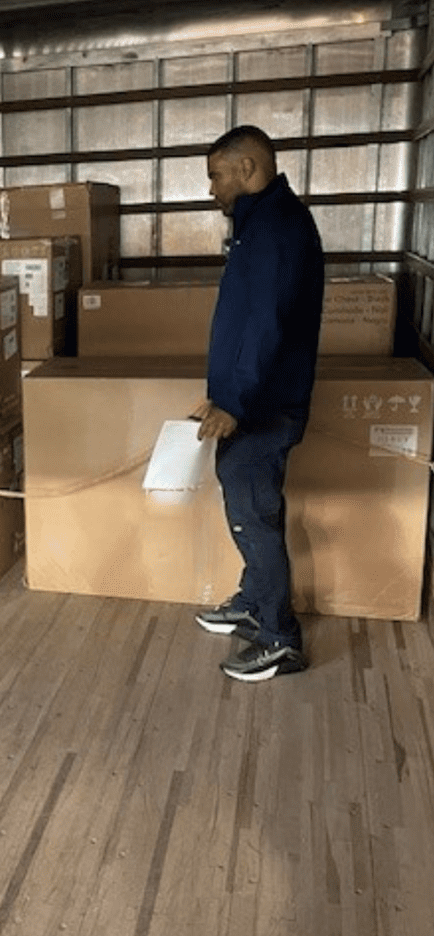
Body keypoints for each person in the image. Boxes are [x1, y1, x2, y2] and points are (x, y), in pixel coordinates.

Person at [195, 125, 324, 682]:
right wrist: (222, 394)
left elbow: (263, 326)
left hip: (263, 406)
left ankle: (278, 637)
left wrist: (236, 402)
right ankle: (254, 602)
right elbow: (247, 324)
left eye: (216, 175)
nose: (212, 189)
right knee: (247, 504)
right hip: (251, 401)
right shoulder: (262, 224)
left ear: (247, 169)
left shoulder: (274, 228)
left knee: (253, 513)